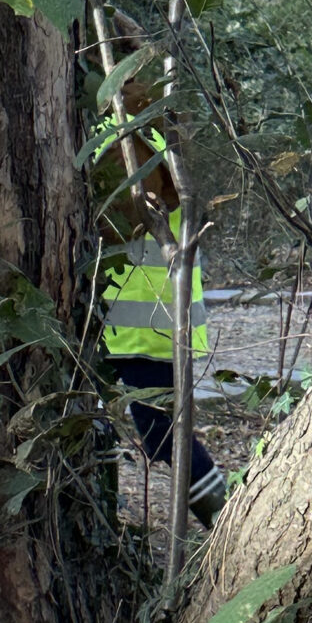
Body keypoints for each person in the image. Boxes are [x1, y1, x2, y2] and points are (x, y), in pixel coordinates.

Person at [91, 48, 225, 524]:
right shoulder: (159, 130)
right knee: (161, 433)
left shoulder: (126, 137)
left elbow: (122, 218)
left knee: (165, 437)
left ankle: (227, 521)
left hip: (144, 327)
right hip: (152, 323)